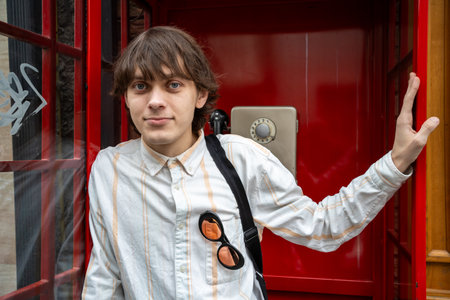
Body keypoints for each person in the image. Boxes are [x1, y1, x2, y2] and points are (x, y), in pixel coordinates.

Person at [82, 26, 440, 299]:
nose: (155, 101)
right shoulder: (110, 169)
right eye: (141, 87)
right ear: (126, 98)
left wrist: (395, 163)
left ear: (201, 95)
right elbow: (105, 272)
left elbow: (323, 227)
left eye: (173, 85)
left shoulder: (241, 158)